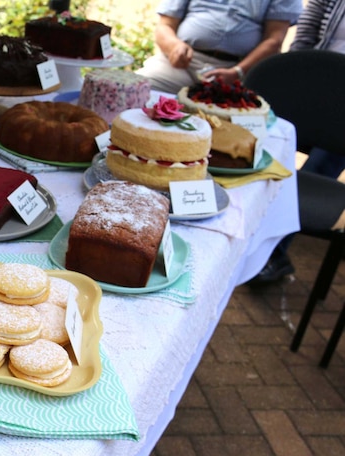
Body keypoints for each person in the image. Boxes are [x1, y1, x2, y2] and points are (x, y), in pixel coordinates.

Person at [251, 0, 345, 284]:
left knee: (322, 161)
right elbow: (303, 39)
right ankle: (249, 235)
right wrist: (303, 84)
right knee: (266, 147)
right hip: (312, 86)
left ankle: (273, 251)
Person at [135, 0, 302, 94]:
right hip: (180, 64)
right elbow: (165, 25)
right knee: (133, 90)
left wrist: (237, 72)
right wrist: (174, 46)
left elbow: (274, 40)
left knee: (236, 127)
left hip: (238, 71)